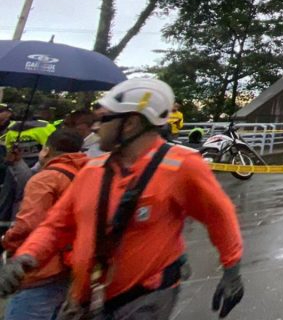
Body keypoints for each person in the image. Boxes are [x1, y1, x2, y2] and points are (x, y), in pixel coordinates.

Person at [0, 78, 245, 319]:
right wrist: (26, 257)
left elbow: (219, 217)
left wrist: (231, 269)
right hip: (89, 299)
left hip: (145, 298)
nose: (96, 127)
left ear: (130, 124)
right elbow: (56, 225)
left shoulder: (182, 167)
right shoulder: (92, 170)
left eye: (104, 119)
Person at [2, 129, 87, 320]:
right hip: (71, 268)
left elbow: (28, 226)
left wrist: (6, 241)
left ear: (46, 150)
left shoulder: (46, 179)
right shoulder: (86, 175)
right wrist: (17, 163)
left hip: (40, 271)